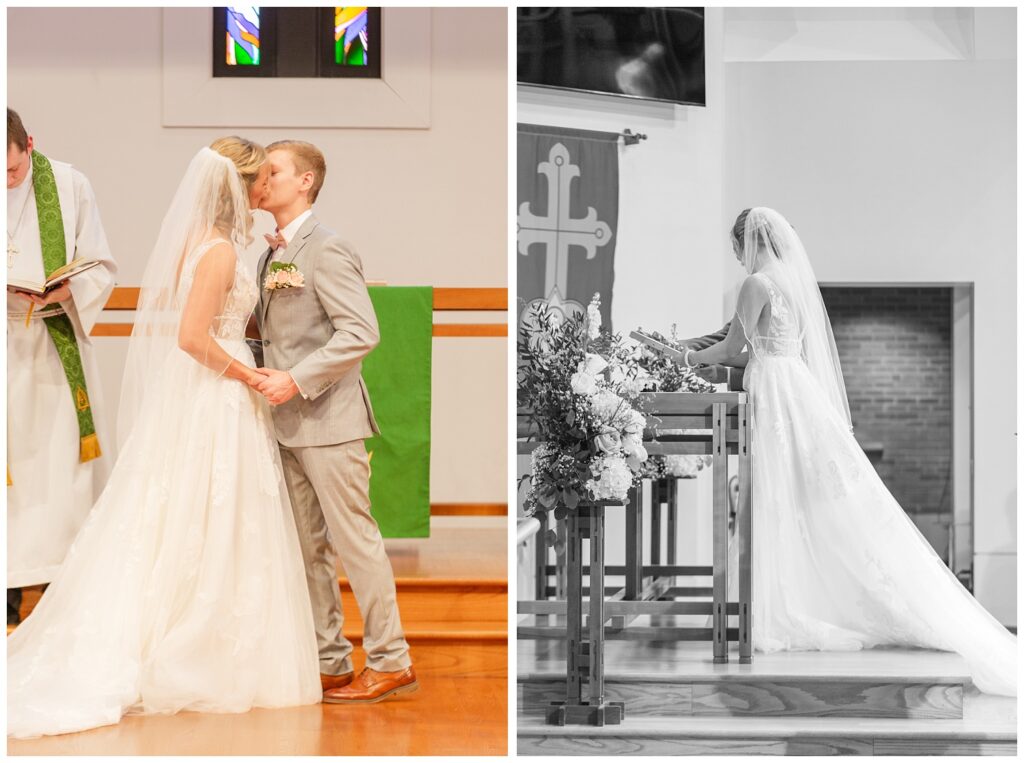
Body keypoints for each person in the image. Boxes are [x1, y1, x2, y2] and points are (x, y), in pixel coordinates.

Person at [7, 138, 321, 739]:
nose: (264, 191)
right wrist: (250, 373)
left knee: (202, 514)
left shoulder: (212, 242)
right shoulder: (221, 253)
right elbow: (192, 338)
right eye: (260, 181)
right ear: (241, 186)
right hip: (216, 391)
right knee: (209, 512)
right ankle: (194, 642)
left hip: (210, 392)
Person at [682, 206, 1016, 697]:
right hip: (794, 388)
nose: (737, 258)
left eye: (736, 248)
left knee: (776, 496)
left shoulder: (754, 284)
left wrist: (687, 359)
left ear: (748, 241)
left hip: (774, 390)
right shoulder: (791, 281)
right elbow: (757, 343)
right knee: (792, 497)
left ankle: (782, 608)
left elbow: (735, 346)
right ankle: (788, 602)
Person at [254, 139, 417, 704]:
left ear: (305, 181)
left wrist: (296, 379)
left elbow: (360, 332)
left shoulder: (328, 248)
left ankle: (391, 659)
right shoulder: (268, 253)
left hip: (330, 419)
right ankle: (330, 660)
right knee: (307, 549)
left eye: (273, 170)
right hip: (283, 423)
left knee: (356, 544)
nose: (262, 178)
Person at [6, 108, 117, 626]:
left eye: (11, 169)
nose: (6, 180)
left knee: (56, 470)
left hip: (52, 341)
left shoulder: (69, 185)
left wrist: (70, 286)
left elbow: (100, 261)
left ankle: (56, 586)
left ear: (29, 143)